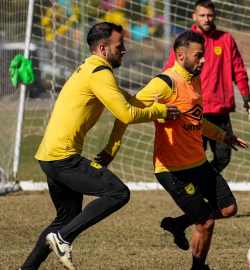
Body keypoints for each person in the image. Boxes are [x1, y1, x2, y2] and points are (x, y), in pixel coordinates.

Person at [19, 22, 180, 270]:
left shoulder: (93, 68)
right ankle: (63, 239)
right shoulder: (99, 73)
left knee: (66, 219)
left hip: (50, 155)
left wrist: (151, 109)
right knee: (118, 193)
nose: (124, 50)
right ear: (103, 48)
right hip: (62, 158)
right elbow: (126, 114)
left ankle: (27, 268)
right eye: (120, 46)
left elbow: (127, 99)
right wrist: (159, 111)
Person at [100, 30, 248, 270]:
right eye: (198, 56)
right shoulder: (165, 82)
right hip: (172, 169)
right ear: (181, 55)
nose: (204, 61)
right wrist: (112, 148)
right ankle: (198, 267)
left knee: (229, 208)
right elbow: (126, 112)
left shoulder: (195, 79)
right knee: (206, 222)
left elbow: (197, 120)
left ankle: (178, 225)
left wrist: (224, 136)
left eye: (204, 55)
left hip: (198, 162)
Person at [163, 0, 250, 174]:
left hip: (220, 111)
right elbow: (170, 70)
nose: (206, 19)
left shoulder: (226, 39)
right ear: (194, 16)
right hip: (193, 111)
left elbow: (239, 71)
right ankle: (198, 193)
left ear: (215, 16)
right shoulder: (185, 41)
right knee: (194, 158)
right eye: (202, 15)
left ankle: (202, 186)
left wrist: (247, 98)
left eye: (209, 15)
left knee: (223, 157)